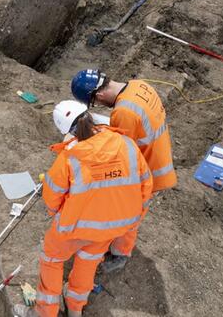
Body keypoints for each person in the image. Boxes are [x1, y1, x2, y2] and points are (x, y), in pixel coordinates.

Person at [18, 101, 152, 317]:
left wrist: (58, 215)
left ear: (68, 132)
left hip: (74, 228)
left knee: (52, 260)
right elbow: (146, 186)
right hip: (111, 227)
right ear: (92, 118)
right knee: (87, 263)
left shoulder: (71, 157)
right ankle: (75, 309)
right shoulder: (126, 144)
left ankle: (45, 313)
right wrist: (131, 220)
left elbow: (52, 196)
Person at [70, 69, 176, 272]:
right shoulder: (139, 85)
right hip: (158, 153)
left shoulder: (123, 112)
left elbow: (119, 154)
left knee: (129, 212)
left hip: (150, 169)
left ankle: (120, 253)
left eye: (96, 103)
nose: (99, 106)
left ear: (98, 95)